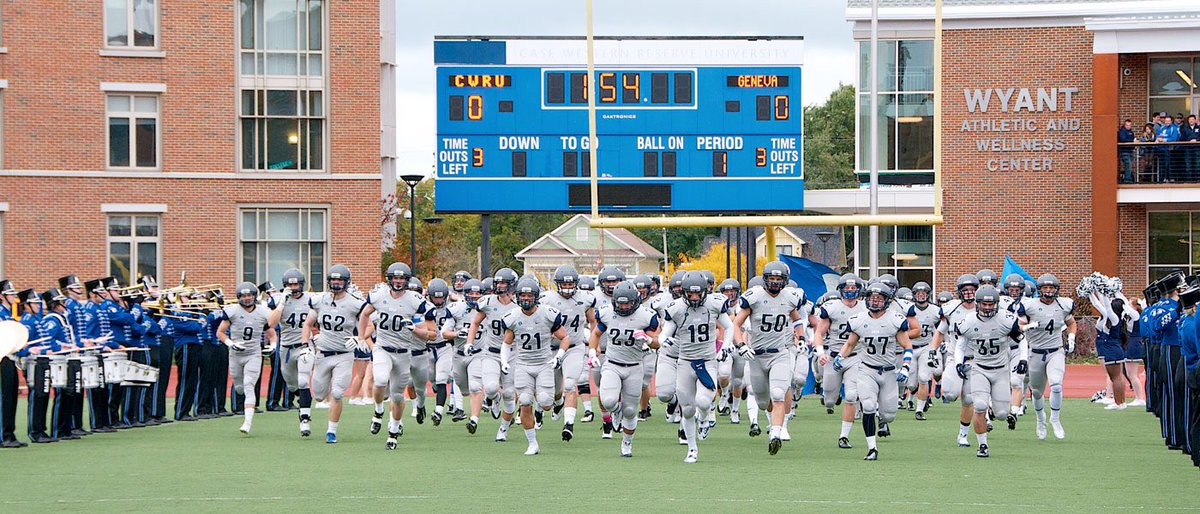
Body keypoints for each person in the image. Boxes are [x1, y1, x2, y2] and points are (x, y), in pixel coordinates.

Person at [731, 261, 806, 455]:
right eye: (771, 279)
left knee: (779, 393)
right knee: (763, 402)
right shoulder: (754, 297)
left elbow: (797, 319)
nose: (774, 282)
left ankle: (775, 433)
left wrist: (802, 337)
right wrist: (741, 345)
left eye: (778, 279)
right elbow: (736, 324)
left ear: (784, 281)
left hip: (779, 354)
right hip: (756, 355)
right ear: (765, 279)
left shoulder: (790, 297)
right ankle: (773, 421)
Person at [358, 262, 435, 450]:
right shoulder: (379, 296)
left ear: (407, 280)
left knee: (398, 396)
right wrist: (361, 337)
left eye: (401, 278)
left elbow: (432, 333)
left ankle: (393, 431)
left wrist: (416, 330)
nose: (398, 281)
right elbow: (364, 314)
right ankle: (378, 411)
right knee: (380, 380)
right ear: (389, 279)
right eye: (395, 278)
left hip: (403, 353)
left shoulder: (416, 301)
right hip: (383, 348)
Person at [835, 283, 914, 460]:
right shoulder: (859, 320)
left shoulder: (895, 319)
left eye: (879, 299)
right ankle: (872, 448)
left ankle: (883, 420)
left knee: (889, 414)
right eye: (872, 298)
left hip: (888, 372)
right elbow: (850, 344)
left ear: (886, 301)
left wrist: (906, 367)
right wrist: (840, 357)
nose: (875, 302)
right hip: (866, 370)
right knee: (868, 406)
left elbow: (907, 346)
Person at [660, 272, 733, 464]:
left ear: (705, 291)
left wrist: (726, 345)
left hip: (707, 361)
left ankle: (704, 420)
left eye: (698, 294)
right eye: (690, 294)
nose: (694, 298)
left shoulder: (714, 304)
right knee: (687, 409)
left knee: (702, 402)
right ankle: (692, 449)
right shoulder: (675, 308)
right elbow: (664, 332)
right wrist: (664, 340)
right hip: (684, 362)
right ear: (683, 292)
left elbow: (730, 326)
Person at [953, 285, 1027, 458]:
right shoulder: (969, 321)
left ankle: (994, 412)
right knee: (979, 406)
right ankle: (983, 445)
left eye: (991, 304)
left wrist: (1023, 359)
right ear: (977, 304)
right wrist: (958, 363)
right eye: (984, 304)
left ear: (997, 304)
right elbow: (961, 345)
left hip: (1001, 370)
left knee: (1001, 414)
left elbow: (1022, 340)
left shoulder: (1006, 319)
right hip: (979, 369)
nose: (988, 307)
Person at [501, 277, 571, 456]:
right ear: (517, 296)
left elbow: (565, 337)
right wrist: (504, 360)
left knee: (546, 403)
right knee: (524, 400)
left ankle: (558, 401)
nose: (525, 298)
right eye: (522, 294)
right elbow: (507, 343)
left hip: (543, 364)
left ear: (536, 296)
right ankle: (532, 443)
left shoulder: (547, 313)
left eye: (529, 295)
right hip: (523, 364)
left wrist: (559, 356)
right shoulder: (513, 317)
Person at [300, 264, 367, 444]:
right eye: (333, 280)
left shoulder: (354, 303)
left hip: (344, 354)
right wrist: (306, 345)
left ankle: (331, 431)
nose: (336, 283)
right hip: (322, 354)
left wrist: (359, 337)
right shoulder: (320, 300)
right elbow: (307, 324)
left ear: (346, 282)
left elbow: (370, 324)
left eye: (340, 280)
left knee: (337, 393)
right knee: (319, 395)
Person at [592, 281, 659, 457]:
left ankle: (627, 443)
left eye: (626, 303)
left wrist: (647, 338)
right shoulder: (607, 313)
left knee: (630, 411)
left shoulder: (645, 316)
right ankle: (615, 412)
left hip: (635, 367)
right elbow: (596, 333)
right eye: (620, 303)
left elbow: (658, 342)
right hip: (612, 364)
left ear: (635, 301)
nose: (623, 306)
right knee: (608, 400)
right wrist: (592, 351)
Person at [538, 265, 596, 441]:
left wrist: (594, 343)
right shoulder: (547, 299)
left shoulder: (585, 299)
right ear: (557, 284)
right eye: (564, 284)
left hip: (574, 347)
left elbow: (593, 321)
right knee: (555, 391)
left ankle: (568, 424)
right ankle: (558, 402)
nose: (568, 287)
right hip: (552, 348)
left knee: (570, 384)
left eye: (571, 284)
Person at [216, 282, 279, 434]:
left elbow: (271, 333)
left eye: (249, 295)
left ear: (254, 296)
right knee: (239, 387)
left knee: (248, 384)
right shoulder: (232, 311)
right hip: (236, 354)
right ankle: (242, 400)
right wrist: (231, 343)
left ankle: (247, 422)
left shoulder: (263, 312)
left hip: (253, 353)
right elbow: (220, 332)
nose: (247, 298)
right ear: (239, 297)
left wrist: (273, 345)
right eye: (244, 296)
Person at [813, 273, 868, 449]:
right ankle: (831, 396)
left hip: (856, 356)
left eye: (853, 288)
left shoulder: (866, 308)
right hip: (833, 356)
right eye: (847, 288)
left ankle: (844, 436)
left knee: (852, 396)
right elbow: (819, 333)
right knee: (829, 399)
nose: (850, 292)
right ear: (840, 290)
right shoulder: (832, 307)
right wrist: (821, 352)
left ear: (859, 290)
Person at [465, 267, 520, 442]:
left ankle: (503, 429)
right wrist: (469, 342)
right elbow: (475, 322)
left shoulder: (520, 305)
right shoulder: (487, 301)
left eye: (504, 283)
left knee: (510, 394)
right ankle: (495, 398)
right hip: (491, 352)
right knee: (489, 388)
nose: (500, 286)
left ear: (511, 285)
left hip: (512, 354)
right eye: (498, 282)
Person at [1021, 273, 1076, 440]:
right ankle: (1040, 420)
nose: (1048, 290)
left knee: (1057, 385)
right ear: (1039, 289)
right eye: (1045, 287)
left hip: (1055, 350)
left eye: (1051, 287)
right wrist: (1029, 327)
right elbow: (1019, 326)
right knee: (1037, 392)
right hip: (1035, 352)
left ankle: (1055, 419)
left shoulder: (1063, 305)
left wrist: (1072, 337)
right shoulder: (1029, 305)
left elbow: (1071, 323)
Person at [931, 274, 983, 446]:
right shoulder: (951, 309)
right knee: (950, 394)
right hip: (955, 357)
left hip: (976, 359)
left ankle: (963, 434)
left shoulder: (985, 308)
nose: (968, 293)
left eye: (972, 290)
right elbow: (940, 331)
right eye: (965, 290)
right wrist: (933, 349)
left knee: (968, 399)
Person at [275, 268, 315, 436]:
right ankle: (304, 398)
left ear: (302, 284)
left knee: (303, 380)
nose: (293, 287)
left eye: (296, 284)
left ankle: (304, 419)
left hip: (304, 345)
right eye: (290, 284)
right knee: (292, 385)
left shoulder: (311, 299)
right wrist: (281, 303)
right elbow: (270, 323)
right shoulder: (279, 300)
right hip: (286, 348)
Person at [18, 289, 58, 443]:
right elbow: (21, 346)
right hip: (33, 362)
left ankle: (41, 429)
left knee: (44, 394)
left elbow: (46, 341)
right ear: (26, 305)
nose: (38, 305)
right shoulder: (27, 321)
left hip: (42, 360)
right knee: (37, 395)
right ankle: (35, 431)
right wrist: (30, 349)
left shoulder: (36, 319)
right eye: (34, 303)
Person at [448, 278, 485, 432]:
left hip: (478, 353)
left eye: (478, 294)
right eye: (472, 293)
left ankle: (474, 420)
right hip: (459, 354)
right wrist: (457, 333)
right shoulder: (456, 309)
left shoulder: (487, 308)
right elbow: (444, 333)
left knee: (476, 386)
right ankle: (493, 398)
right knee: (464, 388)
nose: (475, 296)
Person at [421, 278, 456, 425]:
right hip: (427, 347)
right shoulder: (422, 306)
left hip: (445, 346)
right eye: (435, 296)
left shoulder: (453, 306)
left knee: (441, 378)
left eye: (441, 297)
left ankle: (438, 411)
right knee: (432, 379)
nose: (438, 300)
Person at [908, 281, 940, 420]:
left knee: (923, 377)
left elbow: (941, 330)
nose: (921, 296)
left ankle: (919, 409)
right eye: (918, 293)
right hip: (909, 347)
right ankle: (919, 395)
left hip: (926, 347)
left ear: (928, 295)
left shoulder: (935, 310)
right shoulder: (908, 309)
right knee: (910, 384)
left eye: (924, 293)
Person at [0, 280, 26, 448]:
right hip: (3, 358)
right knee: (5, 397)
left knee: (11, 397)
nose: (15, 297)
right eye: (11, 294)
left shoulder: (8, 314)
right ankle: (4, 435)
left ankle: (9, 433)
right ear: (2, 296)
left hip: (10, 358)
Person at [1156, 114, 1181, 181]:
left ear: (1171, 121)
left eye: (1168, 121)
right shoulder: (1162, 128)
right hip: (1161, 149)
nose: (1167, 122)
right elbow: (1158, 135)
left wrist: (1164, 140)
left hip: (1170, 150)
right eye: (1166, 121)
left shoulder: (1174, 128)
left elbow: (1174, 139)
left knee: (1169, 164)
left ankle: (1170, 178)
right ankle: (1163, 178)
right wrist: (1158, 140)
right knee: (1162, 164)